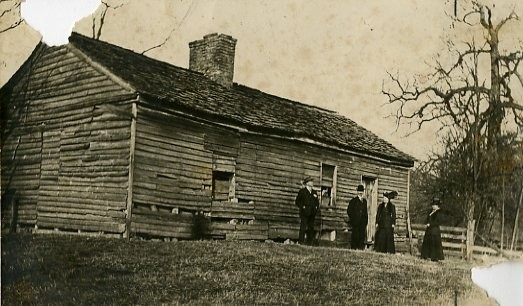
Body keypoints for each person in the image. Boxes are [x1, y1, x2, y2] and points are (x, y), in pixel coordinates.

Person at [295, 176, 320, 245]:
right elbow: (297, 201)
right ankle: (301, 241)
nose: (312, 183)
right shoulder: (302, 191)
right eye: (310, 181)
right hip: (304, 212)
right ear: (307, 183)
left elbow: (317, 203)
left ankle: (309, 242)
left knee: (311, 227)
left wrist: (316, 208)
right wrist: (303, 207)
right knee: (303, 227)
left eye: (312, 181)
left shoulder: (314, 192)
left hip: (312, 213)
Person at [421, 197, 445, 262]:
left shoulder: (439, 212)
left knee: (434, 243)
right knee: (428, 242)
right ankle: (427, 256)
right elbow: (427, 219)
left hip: (435, 230)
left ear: (437, 206)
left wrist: (430, 224)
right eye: (432, 205)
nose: (432, 206)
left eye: (434, 205)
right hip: (429, 230)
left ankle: (434, 257)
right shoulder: (431, 212)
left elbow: (437, 222)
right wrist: (427, 223)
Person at [347, 184, 368, 250]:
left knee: (361, 236)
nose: (360, 193)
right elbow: (349, 211)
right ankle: (354, 248)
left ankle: (360, 248)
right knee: (355, 236)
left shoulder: (364, 201)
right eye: (359, 191)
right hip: (356, 223)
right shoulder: (353, 201)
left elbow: (365, 212)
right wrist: (353, 219)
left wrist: (365, 221)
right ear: (357, 192)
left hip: (362, 223)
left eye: (362, 191)